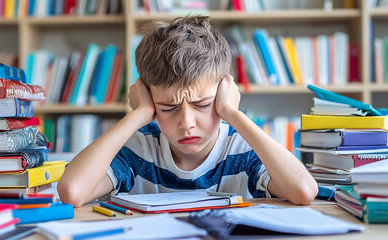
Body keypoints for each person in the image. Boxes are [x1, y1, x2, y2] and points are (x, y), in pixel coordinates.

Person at [58, 15, 318, 207]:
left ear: (224, 94)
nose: (187, 122)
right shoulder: (139, 148)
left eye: (203, 105)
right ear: (149, 100)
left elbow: (304, 191)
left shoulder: (240, 148)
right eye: (168, 108)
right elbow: (72, 192)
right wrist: (137, 115)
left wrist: (233, 114)